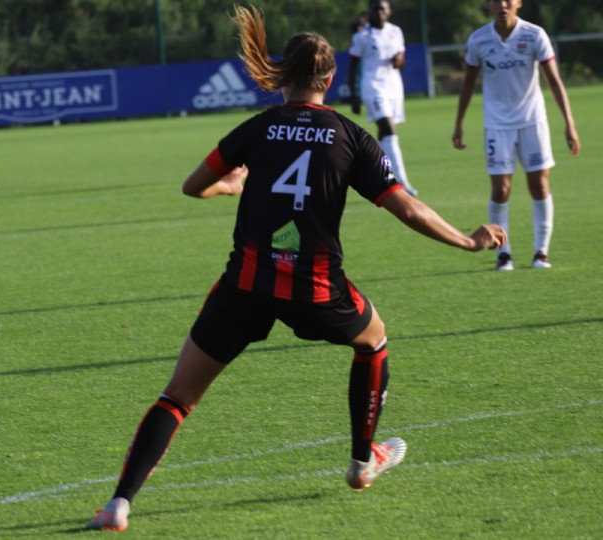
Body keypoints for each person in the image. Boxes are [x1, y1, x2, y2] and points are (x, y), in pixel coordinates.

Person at [85, 6, 506, 532]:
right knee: (372, 341)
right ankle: (360, 462)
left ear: (282, 77)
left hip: (246, 284)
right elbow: (409, 209)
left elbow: (193, 185)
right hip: (317, 288)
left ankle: (119, 505)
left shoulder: (257, 128)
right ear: (330, 80)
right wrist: (468, 240)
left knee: (177, 397)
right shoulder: (352, 138)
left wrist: (230, 185)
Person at [452, 0, 580, 271]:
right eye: (497, 0)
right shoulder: (478, 40)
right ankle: (503, 254)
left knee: (540, 186)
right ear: (489, 4)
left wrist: (569, 123)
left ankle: (541, 253)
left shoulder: (535, 35)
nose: (503, 5)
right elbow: (468, 84)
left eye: (509, 0)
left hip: (533, 122)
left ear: (519, 3)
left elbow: (554, 81)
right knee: (500, 190)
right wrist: (459, 123)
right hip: (497, 126)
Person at [348, 0, 417, 196]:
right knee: (388, 128)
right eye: (375, 9)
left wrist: (399, 60)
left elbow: (401, 58)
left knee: (383, 135)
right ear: (370, 11)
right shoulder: (362, 36)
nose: (379, 12)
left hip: (394, 88)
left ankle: (377, 175)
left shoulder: (396, 31)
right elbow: (352, 66)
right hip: (373, 88)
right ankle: (402, 182)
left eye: (383, 9)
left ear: (389, 12)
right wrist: (353, 95)